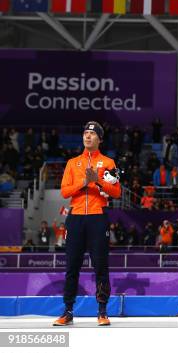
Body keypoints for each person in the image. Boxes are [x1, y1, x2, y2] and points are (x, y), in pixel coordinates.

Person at [54, 121, 121, 327]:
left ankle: (102, 311)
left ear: (100, 139)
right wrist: (84, 182)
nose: (88, 136)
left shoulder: (108, 163)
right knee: (72, 266)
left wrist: (98, 181)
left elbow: (117, 192)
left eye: (92, 134)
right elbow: (65, 191)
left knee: (101, 266)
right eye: (85, 133)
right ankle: (67, 311)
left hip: (97, 217)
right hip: (75, 218)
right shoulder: (73, 163)